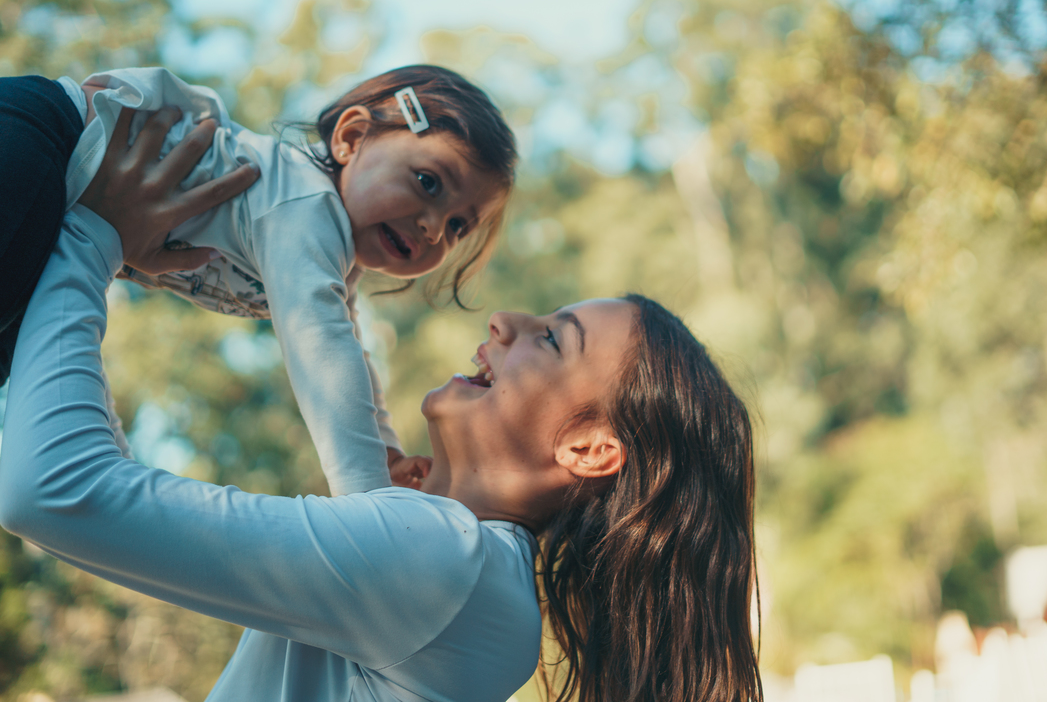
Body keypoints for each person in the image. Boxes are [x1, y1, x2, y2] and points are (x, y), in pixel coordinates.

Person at [0, 122, 764, 702]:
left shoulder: (450, 565)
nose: (503, 321)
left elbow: (53, 490)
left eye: (552, 339)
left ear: (593, 449)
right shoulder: (462, 573)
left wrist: (93, 234)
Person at [0, 65, 516, 495]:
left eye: (457, 226)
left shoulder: (331, 258)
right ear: (352, 138)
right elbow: (322, 354)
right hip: (45, 136)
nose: (432, 227)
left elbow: (351, 362)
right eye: (428, 182)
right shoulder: (307, 204)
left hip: (57, 218)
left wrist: (388, 457)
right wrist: (371, 500)